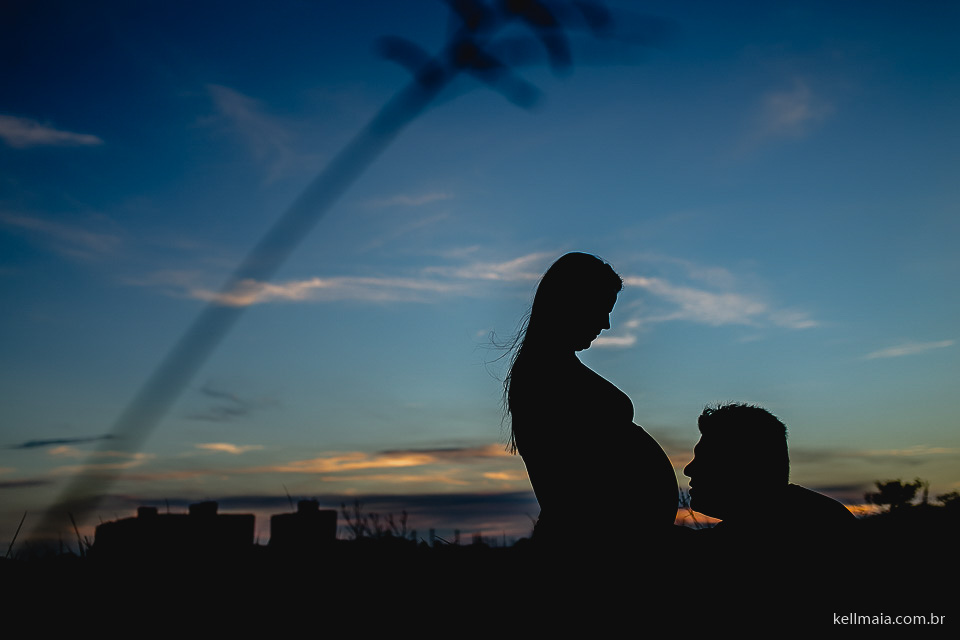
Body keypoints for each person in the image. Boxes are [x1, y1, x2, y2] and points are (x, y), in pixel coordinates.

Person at [504, 252, 679, 548]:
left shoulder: (553, 369)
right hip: (597, 542)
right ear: (572, 302)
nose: (606, 324)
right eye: (601, 308)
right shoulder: (543, 376)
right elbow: (567, 478)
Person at [684, 403, 856, 540]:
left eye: (705, 459)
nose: (688, 469)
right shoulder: (819, 515)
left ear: (744, 466)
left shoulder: (813, 524)